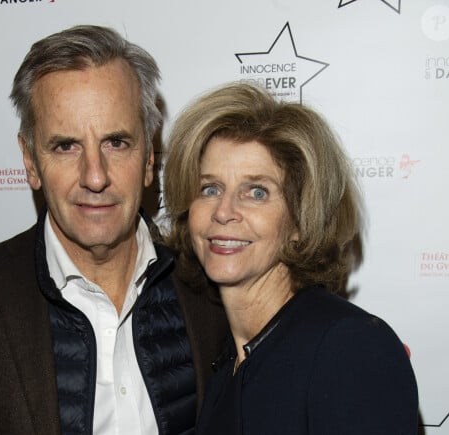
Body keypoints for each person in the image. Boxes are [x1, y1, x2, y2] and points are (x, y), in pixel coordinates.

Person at [0, 25, 228, 435]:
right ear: (30, 160)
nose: (95, 176)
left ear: (148, 155)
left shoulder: (210, 284)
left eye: (116, 142)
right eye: (65, 146)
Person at [163, 82, 418, 434]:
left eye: (256, 192)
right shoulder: (225, 363)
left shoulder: (347, 347)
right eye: (211, 188)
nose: (224, 212)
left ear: (300, 220)